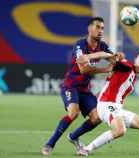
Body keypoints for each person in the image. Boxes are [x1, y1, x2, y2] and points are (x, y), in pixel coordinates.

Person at [41, 17, 116, 155]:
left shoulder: (103, 45)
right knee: (73, 112)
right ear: (89, 29)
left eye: (102, 28)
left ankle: (73, 137)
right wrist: (105, 68)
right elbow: (83, 69)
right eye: (97, 27)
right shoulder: (80, 45)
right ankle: (49, 144)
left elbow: (114, 58)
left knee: (97, 117)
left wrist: (118, 58)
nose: (100, 31)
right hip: (70, 86)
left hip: (85, 89)